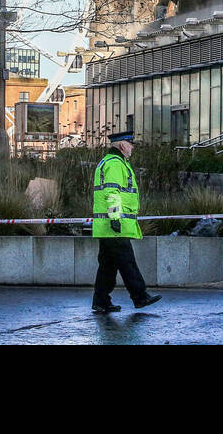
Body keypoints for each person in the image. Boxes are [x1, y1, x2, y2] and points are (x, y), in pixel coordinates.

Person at [91, 131, 161, 314]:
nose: (132, 148)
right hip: (114, 225)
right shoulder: (115, 164)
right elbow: (112, 193)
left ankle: (101, 301)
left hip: (107, 226)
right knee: (127, 262)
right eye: (130, 144)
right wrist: (115, 218)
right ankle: (140, 296)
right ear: (122, 145)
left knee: (108, 265)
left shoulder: (109, 162)